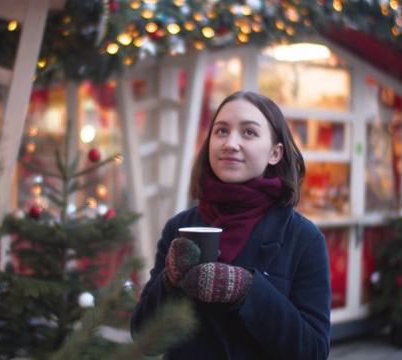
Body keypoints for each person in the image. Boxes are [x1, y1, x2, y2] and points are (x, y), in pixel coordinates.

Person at [130, 90, 331, 359]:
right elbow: (144, 337)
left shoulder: (304, 239)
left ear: (275, 153)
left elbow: (314, 351)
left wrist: (248, 290)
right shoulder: (179, 227)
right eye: (221, 131)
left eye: (248, 132)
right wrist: (169, 284)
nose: (230, 143)